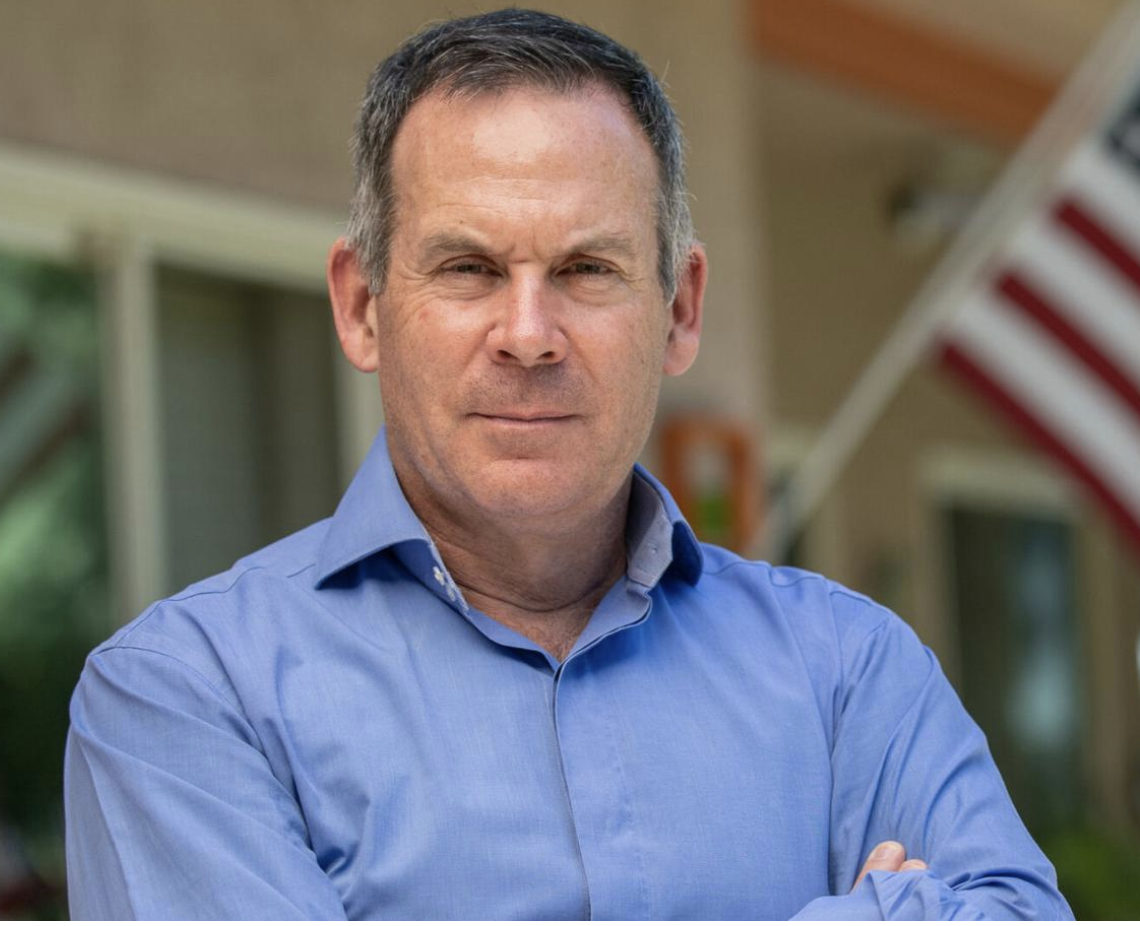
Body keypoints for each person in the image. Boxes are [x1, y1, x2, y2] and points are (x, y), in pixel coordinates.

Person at [64, 8, 1071, 920]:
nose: (530, 333)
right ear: (363, 305)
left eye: (588, 269)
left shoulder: (849, 670)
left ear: (679, 307)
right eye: (469, 269)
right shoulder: (186, 699)